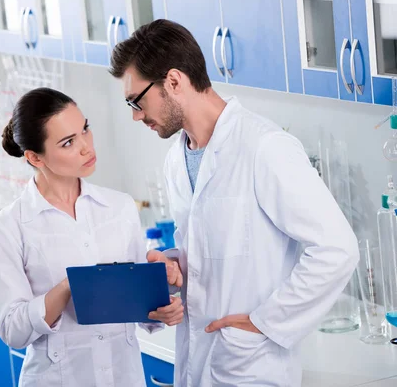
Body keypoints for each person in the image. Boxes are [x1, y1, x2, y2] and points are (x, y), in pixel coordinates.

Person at [109, 19, 359, 386]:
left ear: (174, 81)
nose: (135, 115)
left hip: (250, 366)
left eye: (136, 101)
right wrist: (176, 265)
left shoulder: (264, 147)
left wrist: (263, 323)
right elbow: (219, 247)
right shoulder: (177, 159)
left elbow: (338, 248)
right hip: (198, 362)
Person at [0, 87, 184, 387]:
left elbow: (137, 311)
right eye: (68, 142)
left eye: (85, 129)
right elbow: (13, 332)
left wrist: (161, 302)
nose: (87, 147)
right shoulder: (7, 227)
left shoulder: (119, 207)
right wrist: (68, 287)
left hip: (124, 378)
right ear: (35, 157)